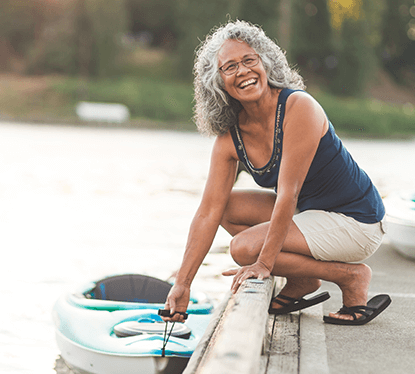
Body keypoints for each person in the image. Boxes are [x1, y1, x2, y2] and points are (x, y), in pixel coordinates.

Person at [162, 20, 390, 325]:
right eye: (229, 67)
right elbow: (208, 212)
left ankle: (350, 277)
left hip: (356, 221)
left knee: (243, 249)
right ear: (217, 82)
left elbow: (288, 194)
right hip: (310, 213)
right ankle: (303, 280)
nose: (242, 71)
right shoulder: (230, 138)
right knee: (225, 207)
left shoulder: (299, 107)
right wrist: (183, 283)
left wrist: (263, 264)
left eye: (249, 60)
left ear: (266, 62)